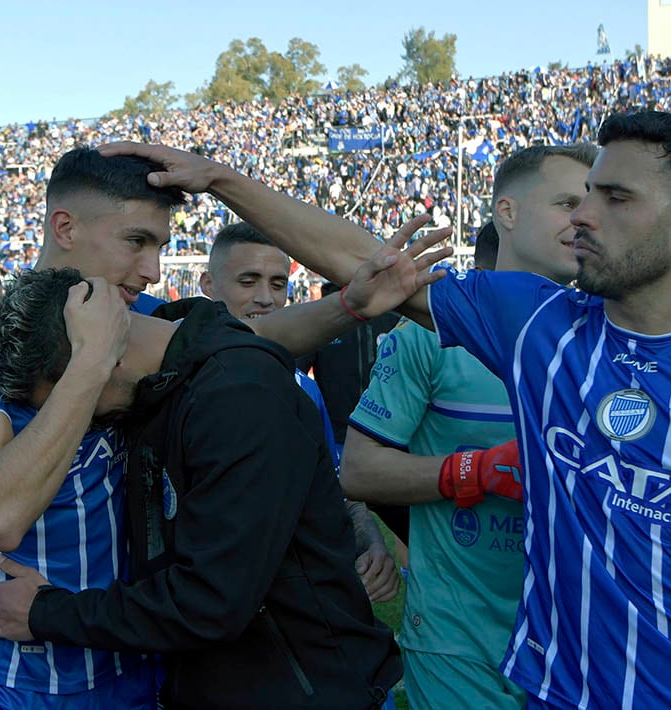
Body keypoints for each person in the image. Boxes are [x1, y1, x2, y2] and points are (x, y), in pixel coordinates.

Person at [100, 117, 671, 708]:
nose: (584, 215)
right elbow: (367, 261)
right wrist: (222, 180)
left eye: (616, 196)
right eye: (580, 197)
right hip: (548, 685)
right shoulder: (540, 325)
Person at [0, 147, 448, 707]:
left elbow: (232, 345)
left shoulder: (146, 318)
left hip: (140, 660)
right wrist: (93, 359)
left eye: (159, 247)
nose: (150, 269)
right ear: (65, 226)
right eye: (135, 241)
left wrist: (350, 305)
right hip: (18, 670)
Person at [0, 267, 403, 708]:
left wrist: (43, 612)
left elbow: (211, 600)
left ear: (100, 360)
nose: (82, 425)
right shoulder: (164, 384)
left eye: (78, 404)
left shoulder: (240, 393)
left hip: (303, 690)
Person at [340, 143, 596, 710]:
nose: (584, 218)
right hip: (460, 641)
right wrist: (473, 471)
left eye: (594, 203)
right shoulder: (423, 338)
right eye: (567, 202)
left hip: (576, 640)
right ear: (507, 213)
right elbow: (357, 470)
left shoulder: (603, 343)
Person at [196, 221, 399, 603]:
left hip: (291, 608)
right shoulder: (169, 377)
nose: (265, 298)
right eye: (247, 281)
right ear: (208, 285)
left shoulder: (303, 389)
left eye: (277, 284)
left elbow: (338, 491)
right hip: (204, 606)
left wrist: (370, 540)